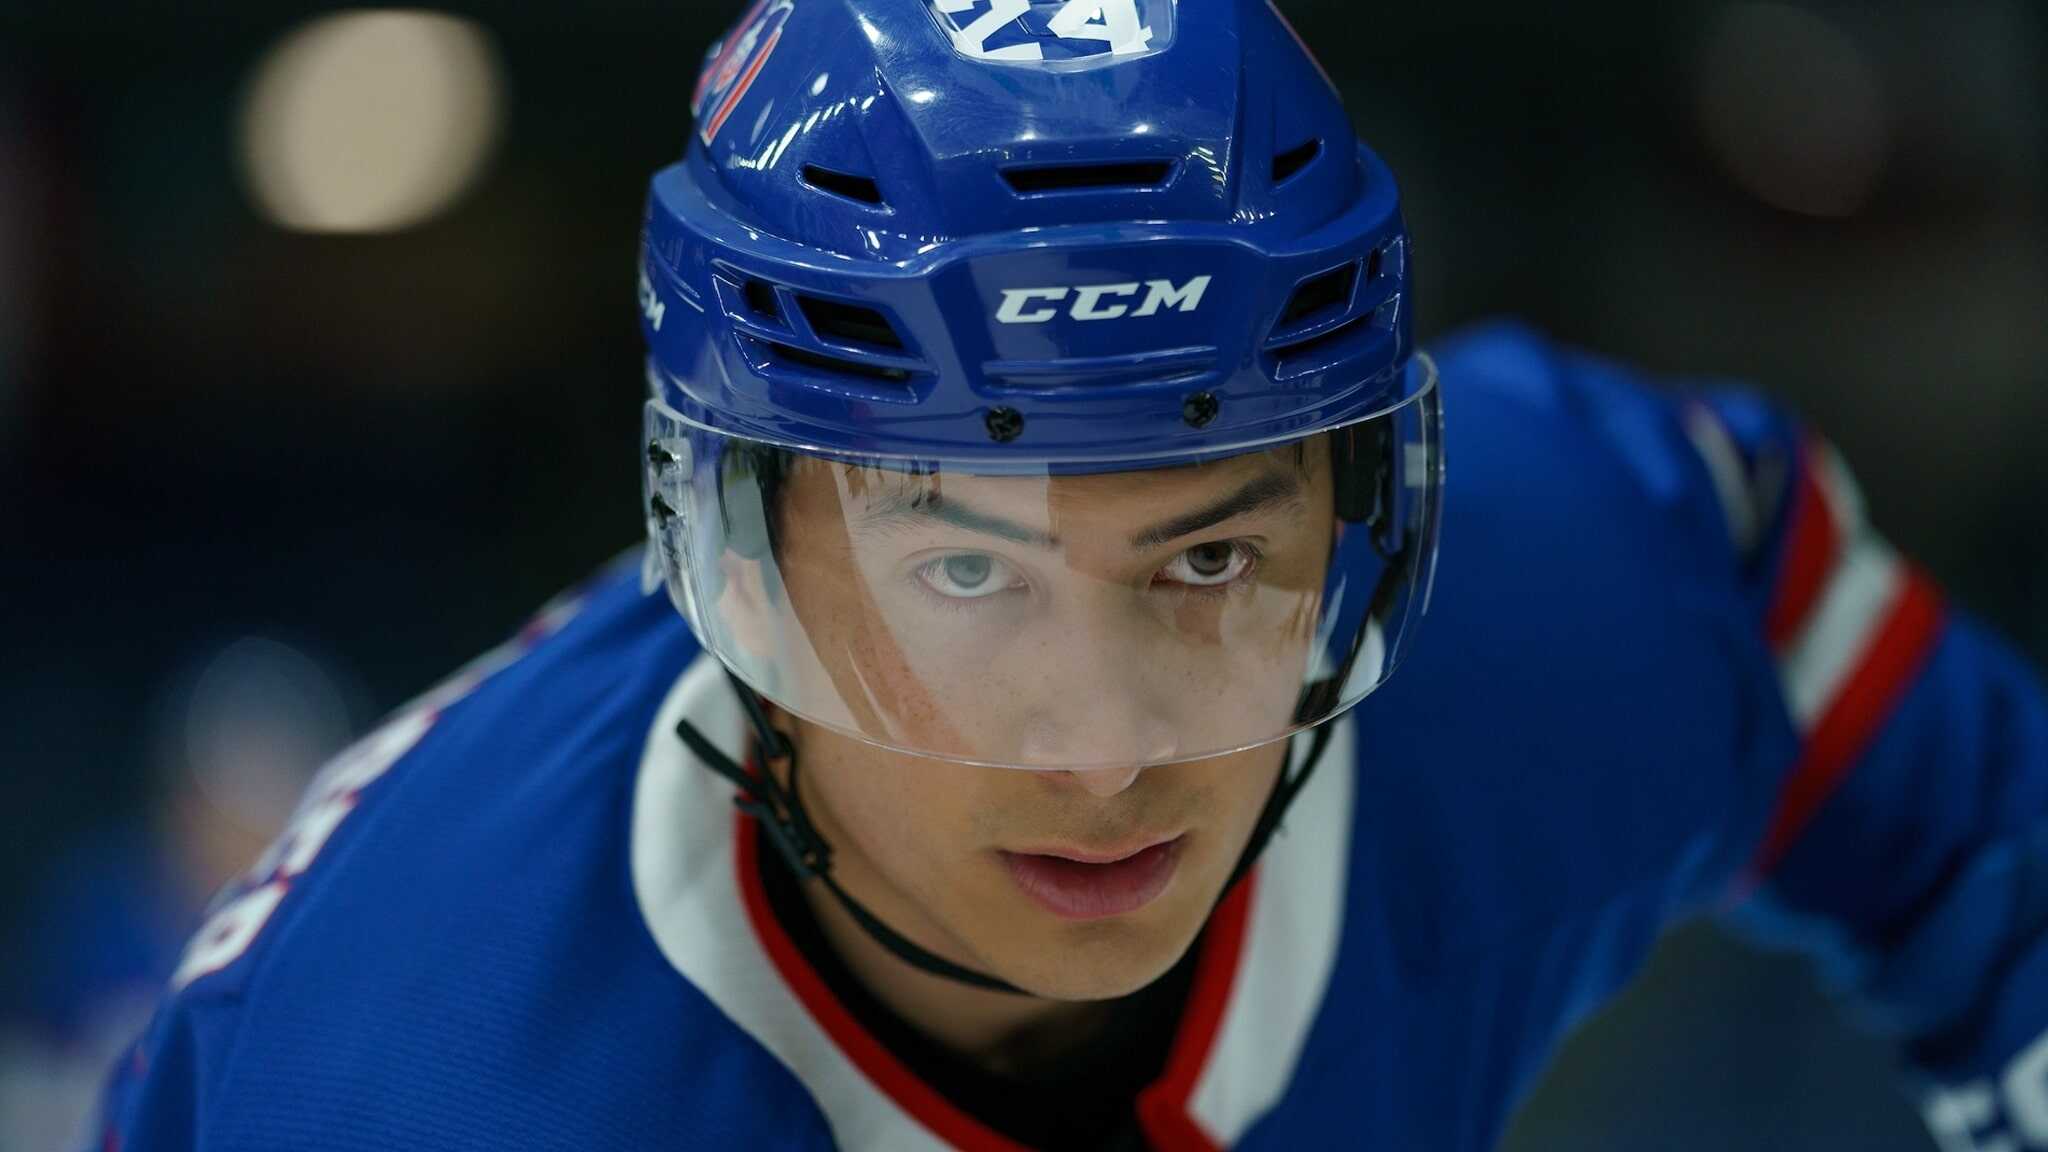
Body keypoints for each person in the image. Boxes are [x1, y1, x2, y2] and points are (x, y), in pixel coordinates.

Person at [94, 2, 2048, 1149]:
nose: (1103, 751)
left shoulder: (1576, 594)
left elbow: (1914, 767)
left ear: (1372, 520)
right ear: (728, 555)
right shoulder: (397, 1089)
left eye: (1209, 561)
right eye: (962, 576)